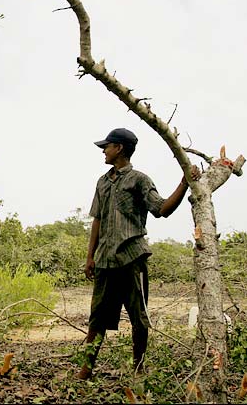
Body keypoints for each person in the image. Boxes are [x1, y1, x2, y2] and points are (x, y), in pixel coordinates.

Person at [76, 128, 201, 380]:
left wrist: (184, 183)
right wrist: (90, 257)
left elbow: (161, 208)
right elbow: (97, 221)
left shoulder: (139, 180)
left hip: (132, 259)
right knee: (97, 317)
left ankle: (138, 368)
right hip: (105, 262)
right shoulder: (102, 181)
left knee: (138, 318)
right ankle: (86, 369)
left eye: (107, 146)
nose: (103, 150)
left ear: (119, 148)